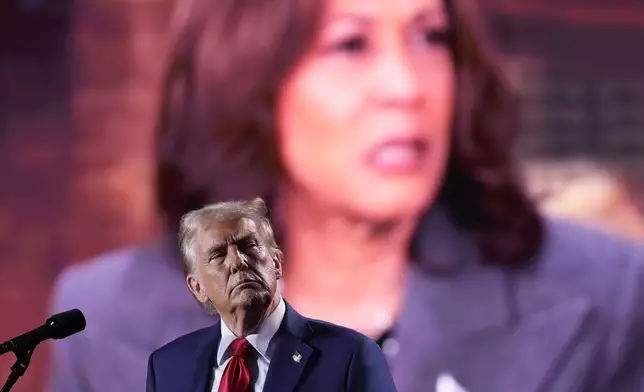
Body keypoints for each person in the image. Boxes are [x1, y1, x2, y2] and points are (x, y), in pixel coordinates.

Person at [46, 0, 644, 390]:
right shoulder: (103, 323)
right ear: (247, 79)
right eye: (350, 46)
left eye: (430, 38)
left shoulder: (608, 294)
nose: (405, 86)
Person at [146, 198, 397, 392]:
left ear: (276, 263)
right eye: (218, 255)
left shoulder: (350, 357)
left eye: (248, 246)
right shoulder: (168, 367)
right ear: (197, 288)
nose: (238, 262)